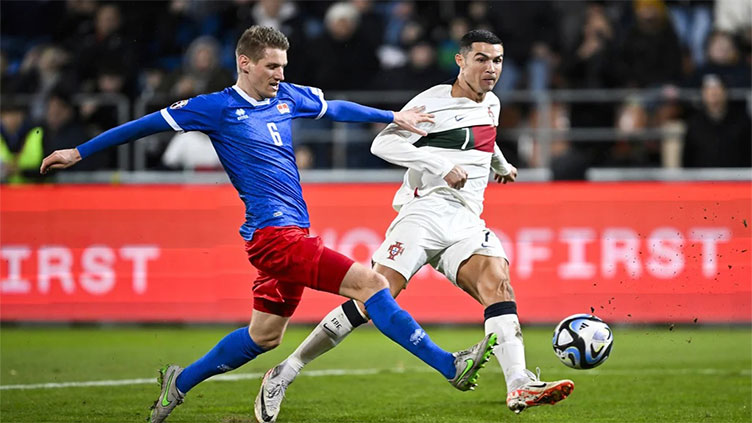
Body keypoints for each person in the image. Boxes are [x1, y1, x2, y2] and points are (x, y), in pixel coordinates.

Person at [39, 26, 498, 423]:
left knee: (264, 336)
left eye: (283, 66)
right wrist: (78, 152)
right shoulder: (213, 107)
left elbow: (334, 107)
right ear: (245, 63)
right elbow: (142, 126)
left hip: (288, 234)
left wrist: (391, 116)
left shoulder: (287, 96)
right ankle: (448, 366)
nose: (281, 75)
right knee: (372, 285)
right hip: (274, 237)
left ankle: (179, 381)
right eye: (273, 67)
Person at [256, 29, 574, 422]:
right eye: (481, 59)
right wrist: (438, 165)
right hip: (423, 214)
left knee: (499, 285)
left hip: (465, 220)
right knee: (371, 300)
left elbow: (483, 138)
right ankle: (284, 372)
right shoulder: (433, 102)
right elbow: (383, 144)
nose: (491, 68)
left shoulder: (491, 102)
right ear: (460, 61)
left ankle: (518, 384)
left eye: (497, 60)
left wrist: (500, 165)